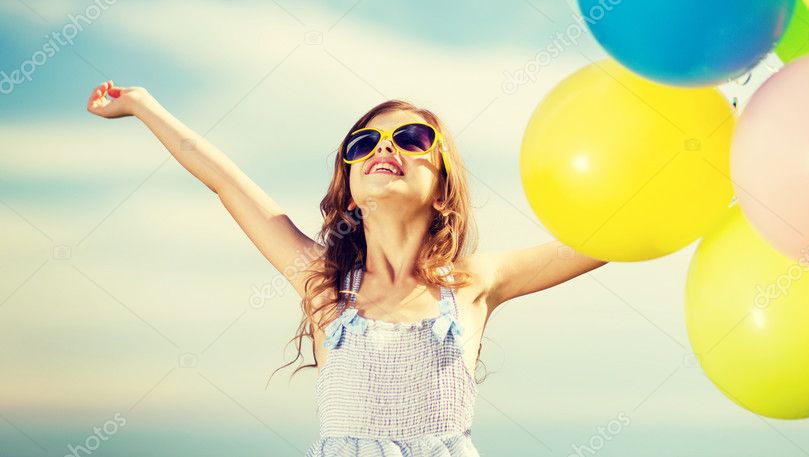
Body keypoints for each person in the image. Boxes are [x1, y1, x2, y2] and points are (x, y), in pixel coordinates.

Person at [86, 80, 608, 456]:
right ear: (351, 193)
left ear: (445, 189)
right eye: (365, 144)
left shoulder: (472, 283)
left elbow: (605, 240)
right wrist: (141, 105)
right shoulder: (322, 282)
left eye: (411, 139)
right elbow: (224, 180)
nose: (385, 147)